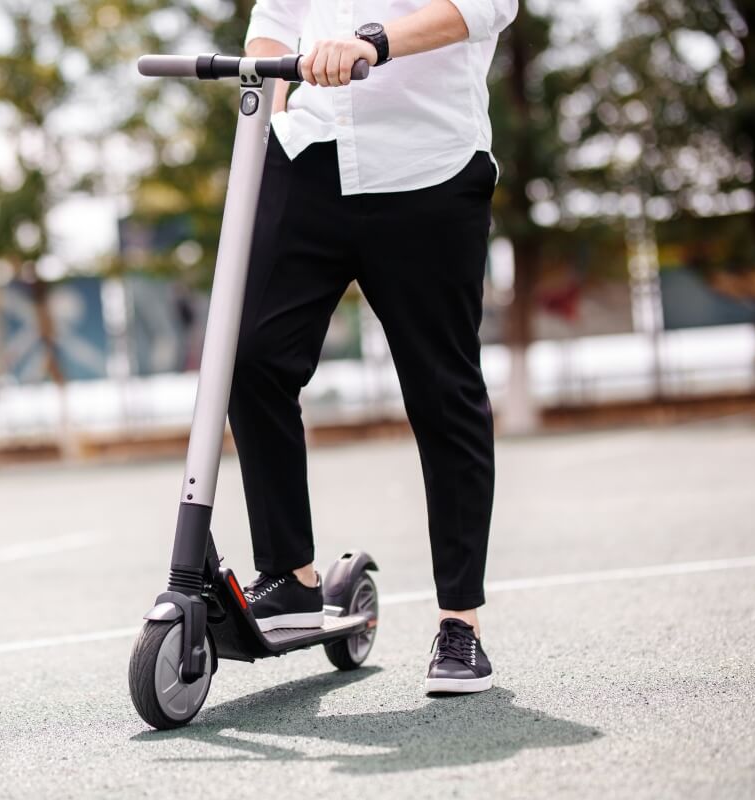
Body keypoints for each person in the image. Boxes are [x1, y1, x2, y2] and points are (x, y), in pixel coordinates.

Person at [233, 0, 517, 694]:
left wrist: (375, 43)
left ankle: (461, 623)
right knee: (247, 360)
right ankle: (291, 577)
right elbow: (277, 13)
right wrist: (261, 95)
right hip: (309, 155)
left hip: (428, 167)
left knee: (441, 390)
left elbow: (486, 5)